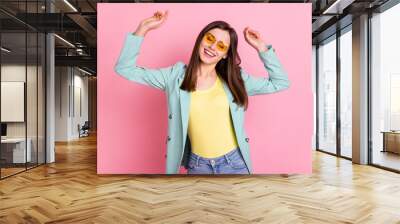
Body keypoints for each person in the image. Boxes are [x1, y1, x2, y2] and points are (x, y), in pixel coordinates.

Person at [114, 10, 290, 174]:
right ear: (201, 39)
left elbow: (280, 83)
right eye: (210, 38)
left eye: (221, 46)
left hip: (235, 164)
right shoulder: (174, 77)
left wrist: (261, 47)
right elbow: (125, 69)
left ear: (226, 54)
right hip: (198, 166)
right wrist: (143, 28)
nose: (212, 46)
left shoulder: (236, 80)